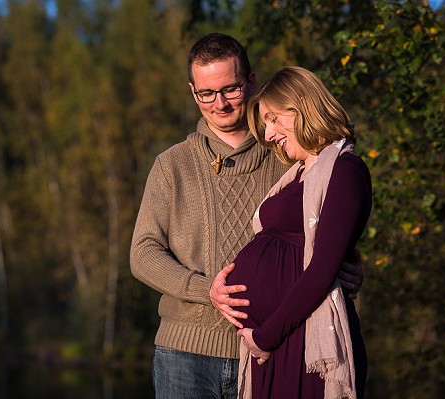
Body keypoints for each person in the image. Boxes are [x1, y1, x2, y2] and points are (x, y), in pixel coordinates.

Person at [129, 33, 363, 399]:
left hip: (276, 348)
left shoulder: (289, 154)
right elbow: (142, 253)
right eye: (206, 93)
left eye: (230, 89)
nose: (219, 103)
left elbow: (326, 229)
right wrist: (205, 289)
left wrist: (345, 265)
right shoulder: (171, 165)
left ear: (250, 82)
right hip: (186, 355)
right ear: (193, 92)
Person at [223, 66, 369, 398]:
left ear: (301, 104)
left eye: (274, 119)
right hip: (279, 341)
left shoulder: (345, 171)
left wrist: (265, 337)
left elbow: (321, 269)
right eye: (265, 125)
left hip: (303, 345)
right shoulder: (297, 175)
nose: (270, 133)